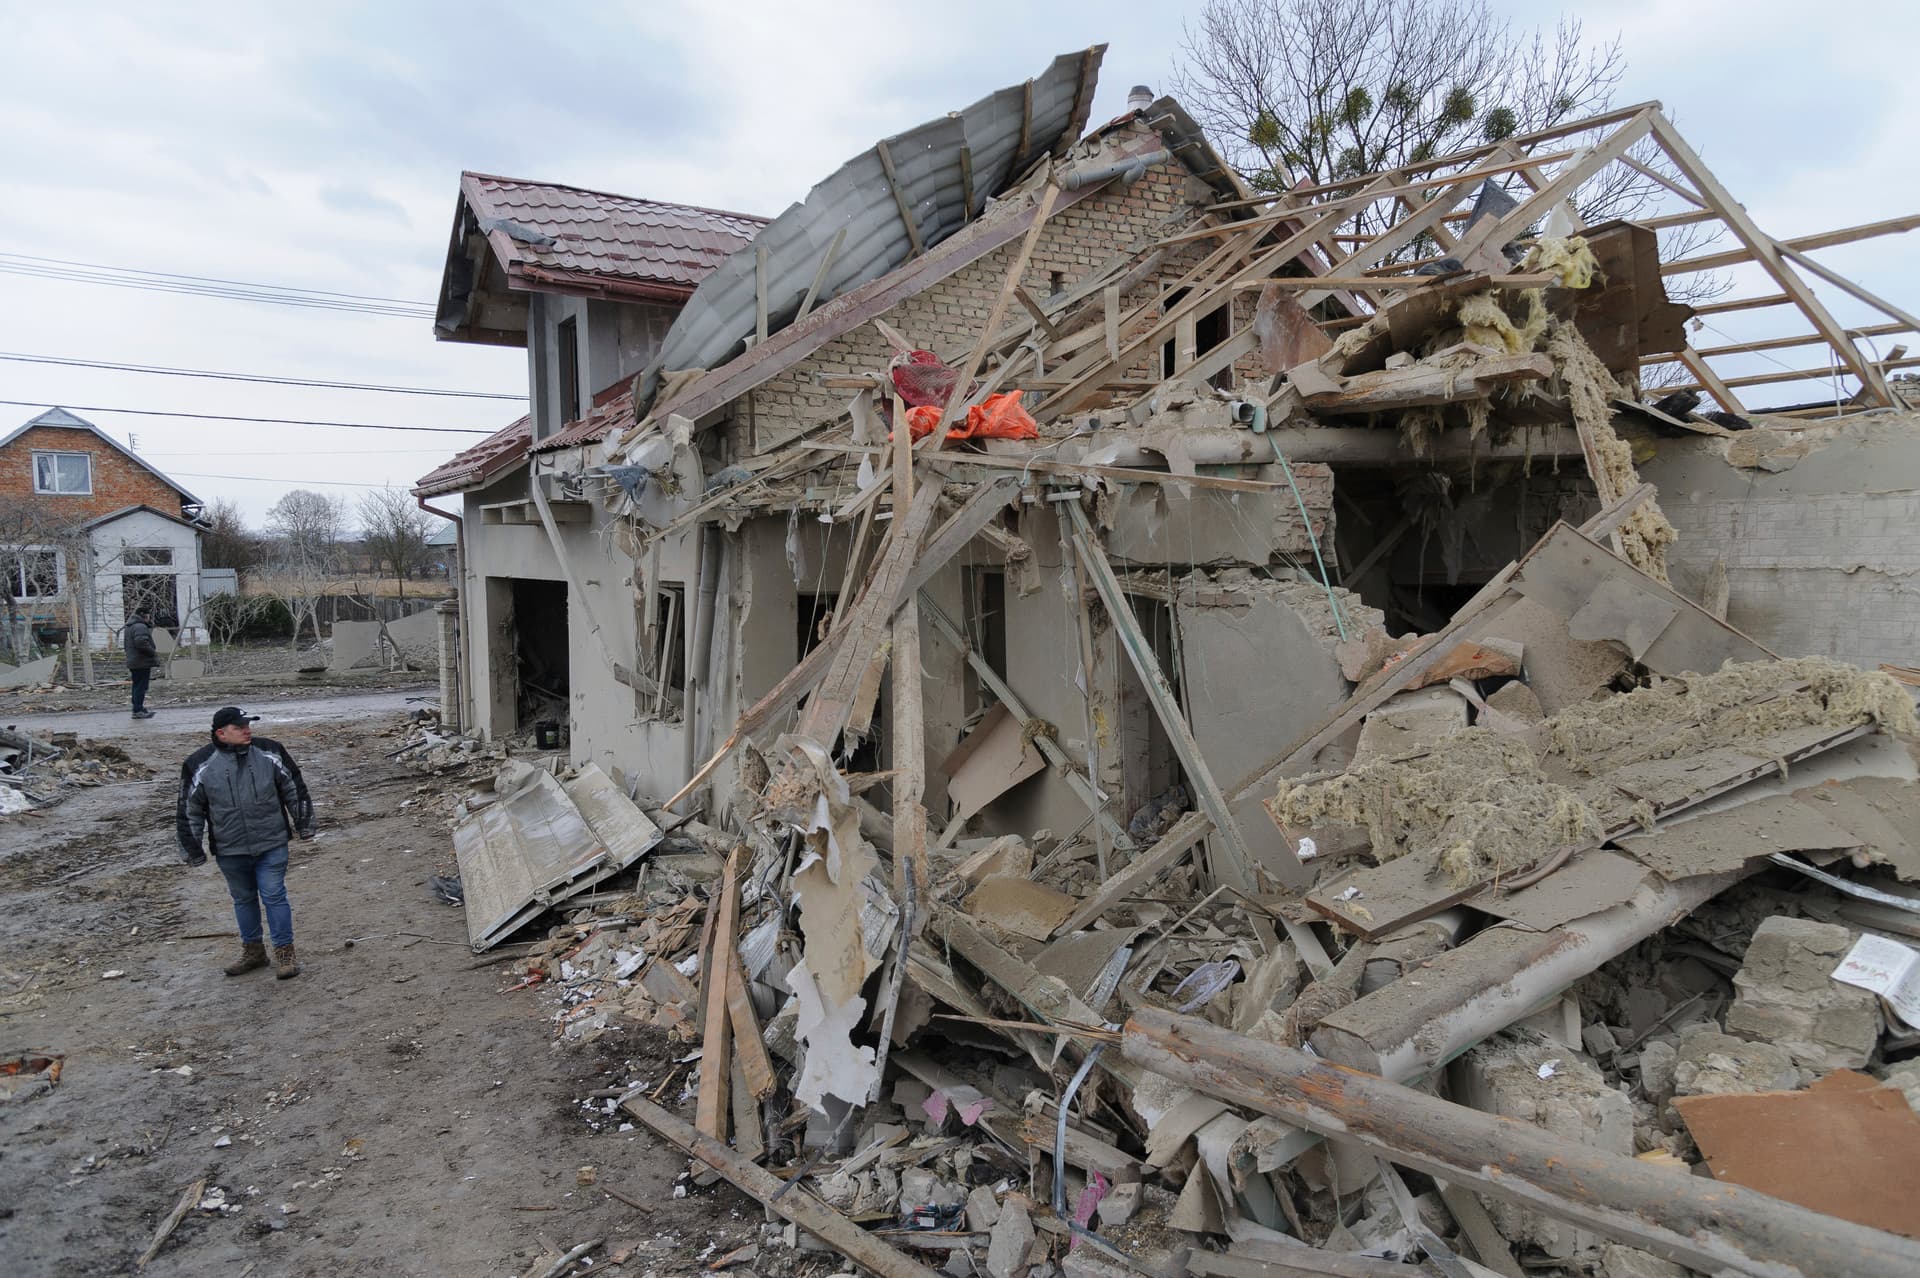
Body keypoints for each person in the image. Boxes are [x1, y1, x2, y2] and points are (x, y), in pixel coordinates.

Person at [177, 707, 315, 979]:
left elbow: (294, 788)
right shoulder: (199, 764)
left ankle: (285, 954)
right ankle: (253, 952)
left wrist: (304, 824)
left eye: (248, 725)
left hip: (271, 842)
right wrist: (192, 850)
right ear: (221, 733)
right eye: (239, 727)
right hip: (230, 849)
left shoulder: (270, 752)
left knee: (274, 894)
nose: (247, 730)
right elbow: (189, 809)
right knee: (243, 899)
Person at [124, 609, 159, 719]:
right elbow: (141, 643)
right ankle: (138, 710)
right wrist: (152, 653)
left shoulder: (130, 626)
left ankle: (138, 707)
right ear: (144, 615)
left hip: (134, 660)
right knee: (141, 687)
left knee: (137, 685)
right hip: (141, 661)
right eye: (148, 615)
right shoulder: (140, 626)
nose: (149, 617)